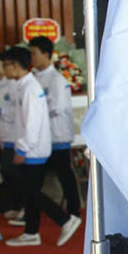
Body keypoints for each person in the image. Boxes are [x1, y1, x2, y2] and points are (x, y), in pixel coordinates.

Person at [0, 46, 82, 247]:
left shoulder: (30, 88)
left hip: (33, 148)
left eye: (6, 65)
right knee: (30, 191)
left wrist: (22, 148)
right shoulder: (23, 85)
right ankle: (31, 231)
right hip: (31, 146)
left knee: (31, 191)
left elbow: (33, 123)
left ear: (16, 66)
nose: (4, 69)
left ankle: (65, 219)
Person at [28, 36, 82, 221]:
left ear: (46, 54)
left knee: (64, 174)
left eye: (34, 54)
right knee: (35, 179)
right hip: (41, 137)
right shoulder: (34, 77)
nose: (32, 58)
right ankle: (32, 213)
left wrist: (36, 112)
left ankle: (74, 211)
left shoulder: (57, 79)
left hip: (57, 135)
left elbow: (58, 107)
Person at [0, 53, 24, 219]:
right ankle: (16, 206)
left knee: (12, 173)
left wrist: (0, 111)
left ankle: (22, 207)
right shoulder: (0, 84)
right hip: (4, 136)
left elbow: (15, 110)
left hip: (13, 136)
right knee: (7, 174)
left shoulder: (12, 84)